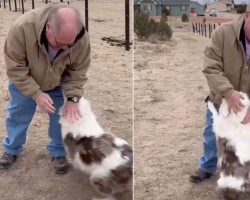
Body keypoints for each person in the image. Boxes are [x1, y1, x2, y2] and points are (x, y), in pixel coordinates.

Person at [0, 3, 91, 175]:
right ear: (48, 27)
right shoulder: (22, 28)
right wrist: (36, 93)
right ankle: (11, 149)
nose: (63, 48)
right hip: (25, 82)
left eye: (68, 45)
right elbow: (15, 67)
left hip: (55, 82)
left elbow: (77, 71)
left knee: (61, 117)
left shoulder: (80, 38)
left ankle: (58, 152)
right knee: (18, 114)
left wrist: (73, 99)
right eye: (59, 42)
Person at [190, 6, 250, 183]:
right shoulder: (222, 34)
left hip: (246, 104)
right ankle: (207, 167)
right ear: (247, 16)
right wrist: (228, 92)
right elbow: (211, 67)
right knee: (212, 134)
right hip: (220, 98)